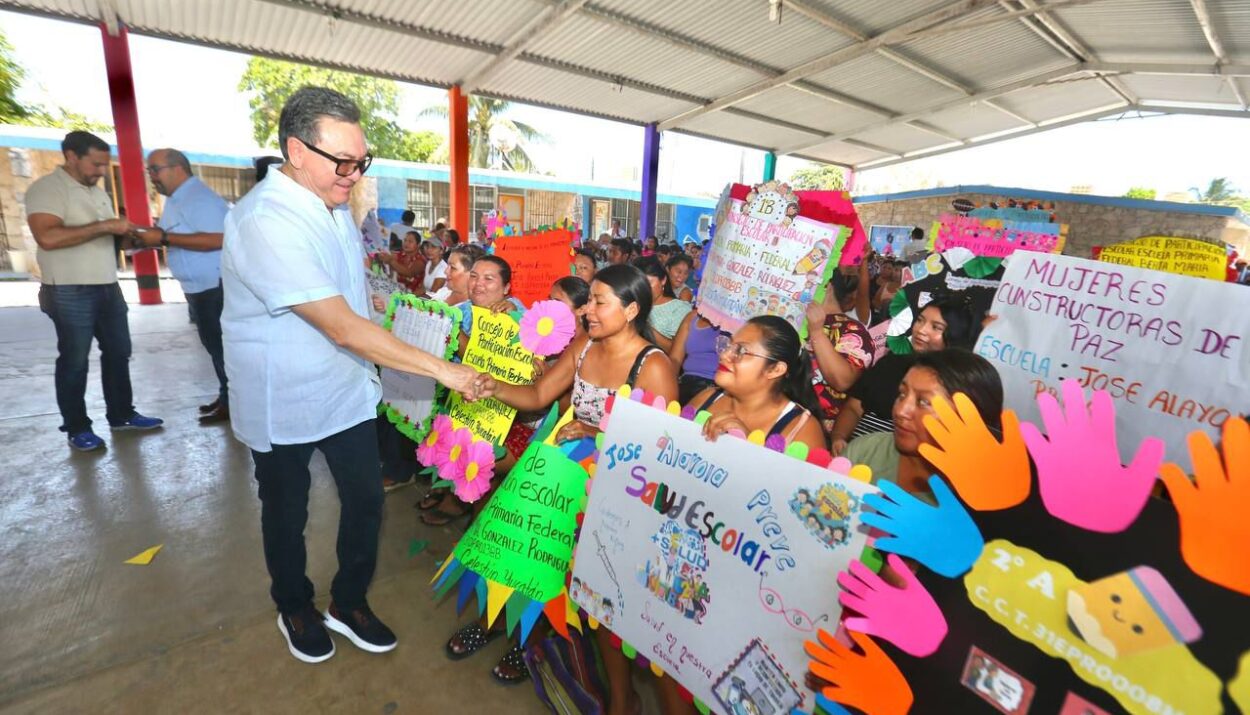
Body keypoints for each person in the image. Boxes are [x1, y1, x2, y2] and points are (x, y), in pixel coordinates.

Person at [220, 86, 488, 664]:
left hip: (343, 389)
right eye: (341, 161)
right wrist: (449, 371)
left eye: (360, 161)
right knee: (287, 511)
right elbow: (340, 325)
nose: (353, 173)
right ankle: (294, 605)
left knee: (366, 501)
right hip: (283, 394)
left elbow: (351, 296)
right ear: (296, 150)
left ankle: (348, 601)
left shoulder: (335, 205)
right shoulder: (265, 221)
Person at [477, 264, 677, 711]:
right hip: (567, 479)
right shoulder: (585, 347)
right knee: (555, 577)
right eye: (587, 301)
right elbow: (537, 395)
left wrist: (595, 426)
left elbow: (664, 454)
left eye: (598, 302)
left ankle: (623, 701)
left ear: (631, 309)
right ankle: (559, 657)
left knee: (605, 601)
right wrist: (492, 386)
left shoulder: (654, 365)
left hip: (618, 496)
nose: (587, 310)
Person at [26, 130, 163, 451]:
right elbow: (48, 237)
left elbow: (106, 239)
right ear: (72, 156)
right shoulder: (47, 189)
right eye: (96, 164)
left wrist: (135, 238)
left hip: (108, 287)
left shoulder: (96, 192)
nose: (102, 171)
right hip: (69, 290)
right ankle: (77, 428)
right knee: (74, 360)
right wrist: (105, 226)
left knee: (119, 352)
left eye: (104, 164)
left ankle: (121, 415)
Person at [137, 148, 231, 424]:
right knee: (214, 347)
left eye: (155, 169)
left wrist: (164, 237)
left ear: (178, 168)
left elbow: (219, 239)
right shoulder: (178, 199)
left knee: (221, 348)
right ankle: (227, 397)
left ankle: (233, 402)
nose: (152, 176)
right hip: (199, 288)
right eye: (149, 171)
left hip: (214, 287)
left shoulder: (199, 198)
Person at [843, 349, 1003, 499]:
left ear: (971, 416)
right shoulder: (866, 451)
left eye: (923, 402)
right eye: (902, 394)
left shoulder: (985, 495)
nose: (900, 410)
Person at [829, 298, 978, 454]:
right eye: (920, 321)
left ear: (957, 335)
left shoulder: (956, 387)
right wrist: (839, 437)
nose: (921, 330)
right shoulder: (889, 363)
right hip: (853, 455)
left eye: (936, 327)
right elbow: (854, 408)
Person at [690, 317, 826, 453]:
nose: (724, 355)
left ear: (775, 370)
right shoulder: (706, 398)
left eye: (741, 351)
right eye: (728, 345)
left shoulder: (802, 429)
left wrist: (750, 448)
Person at [636, 256, 691, 352]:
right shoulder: (632, 303)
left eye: (648, 283)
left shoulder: (679, 309)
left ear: (663, 280)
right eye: (638, 285)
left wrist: (642, 323)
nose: (643, 289)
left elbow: (679, 353)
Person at [668, 307, 722, 404]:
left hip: (715, 387)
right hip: (686, 381)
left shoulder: (740, 325)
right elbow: (675, 359)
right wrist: (669, 385)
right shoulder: (692, 317)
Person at [380, 229, 426, 294]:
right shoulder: (400, 255)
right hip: (397, 290)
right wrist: (382, 256)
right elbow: (389, 256)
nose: (406, 243)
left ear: (418, 245)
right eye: (405, 240)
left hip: (413, 295)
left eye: (410, 241)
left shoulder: (421, 260)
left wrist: (391, 261)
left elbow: (409, 273)